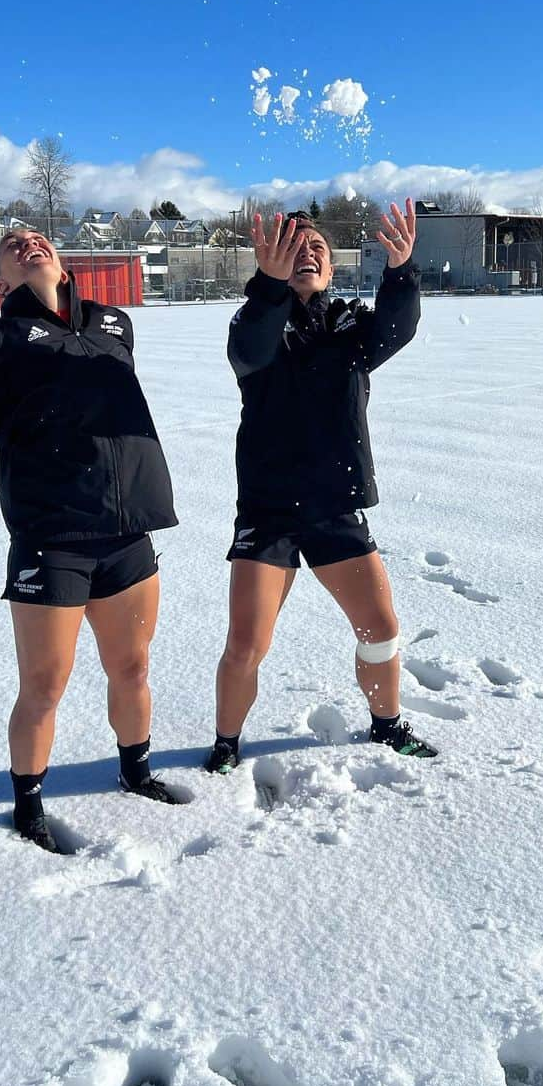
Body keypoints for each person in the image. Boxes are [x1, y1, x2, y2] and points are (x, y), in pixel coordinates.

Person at [0, 228, 179, 852]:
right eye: (12, 244)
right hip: (52, 540)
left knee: (131, 667)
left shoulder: (114, 324)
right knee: (45, 686)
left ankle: (136, 771)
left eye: (38, 237)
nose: (29, 243)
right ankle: (28, 804)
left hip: (128, 531)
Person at [206, 200, 438, 774]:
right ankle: (227, 744)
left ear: (333, 268)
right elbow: (250, 350)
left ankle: (386, 726)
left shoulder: (348, 325)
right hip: (269, 509)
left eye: (318, 250)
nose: (307, 254)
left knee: (380, 628)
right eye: (295, 246)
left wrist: (402, 270)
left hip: (335, 505)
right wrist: (270, 286)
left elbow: (396, 327)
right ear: (272, 259)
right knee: (246, 645)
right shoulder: (255, 321)